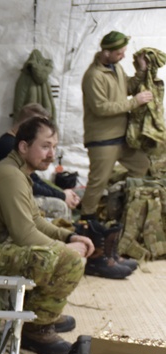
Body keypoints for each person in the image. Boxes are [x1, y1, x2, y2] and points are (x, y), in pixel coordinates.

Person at [0, 116, 94, 354]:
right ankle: (36, 328)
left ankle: (40, 311)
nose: (51, 154)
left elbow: (36, 220)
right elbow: (25, 234)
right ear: (23, 147)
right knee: (69, 262)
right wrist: (65, 248)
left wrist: (70, 235)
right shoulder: (10, 176)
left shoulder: (19, 172)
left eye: (54, 146)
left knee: (65, 254)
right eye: (45, 146)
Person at [79, 31, 153, 217]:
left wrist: (141, 71)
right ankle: (86, 219)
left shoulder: (116, 68)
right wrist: (134, 102)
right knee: (98, 181)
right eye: (120, 53)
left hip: (122, 136)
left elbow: (126, 87)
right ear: (106, 52)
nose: (123, 56)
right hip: (102, 139)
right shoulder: (93, 76)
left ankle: (122, 203)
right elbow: (101, 108)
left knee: (142, 165)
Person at [0, 103, 81, 219]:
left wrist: (62, 193)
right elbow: (30, 185)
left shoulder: (13, 142)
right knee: (59, 205)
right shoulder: (10, 147)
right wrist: (62, 196)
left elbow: (33, 178)